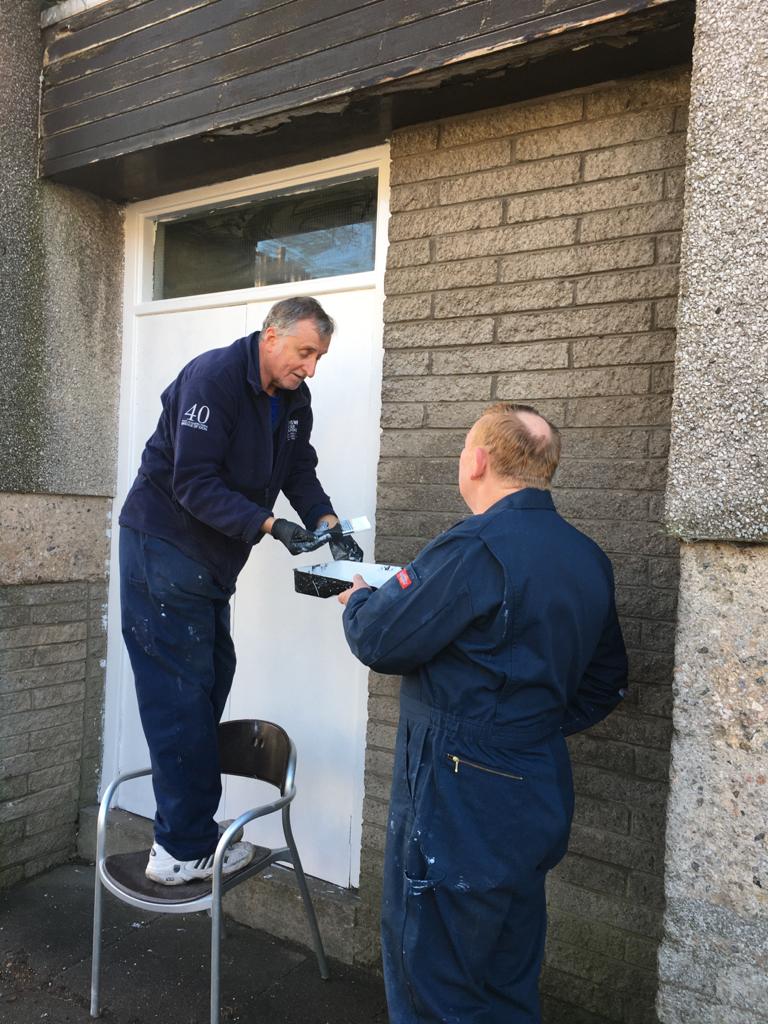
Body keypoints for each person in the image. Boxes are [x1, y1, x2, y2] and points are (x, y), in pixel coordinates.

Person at [338, 403, 627, 1023]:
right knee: (507, 971)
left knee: (433, 981)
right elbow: (607, 683)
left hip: (458, 794)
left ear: (477, 460)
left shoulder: (472, 548)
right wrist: (525, 724)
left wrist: (359, 601)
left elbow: (380, 642)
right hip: (538, 782)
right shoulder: (586, 557)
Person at [119, 295, 362, 886]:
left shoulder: (293, 397)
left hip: (209, 566)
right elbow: (194, 483)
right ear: (270, 335)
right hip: (164, 550)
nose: (311, 366)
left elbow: (297, 467)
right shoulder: (213, 378)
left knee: (207, 684)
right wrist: (273, 527)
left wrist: (329, 526)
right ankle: (181, 849)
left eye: (320, 356)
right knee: (180, 698)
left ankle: (190, 834)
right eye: (305, 352)